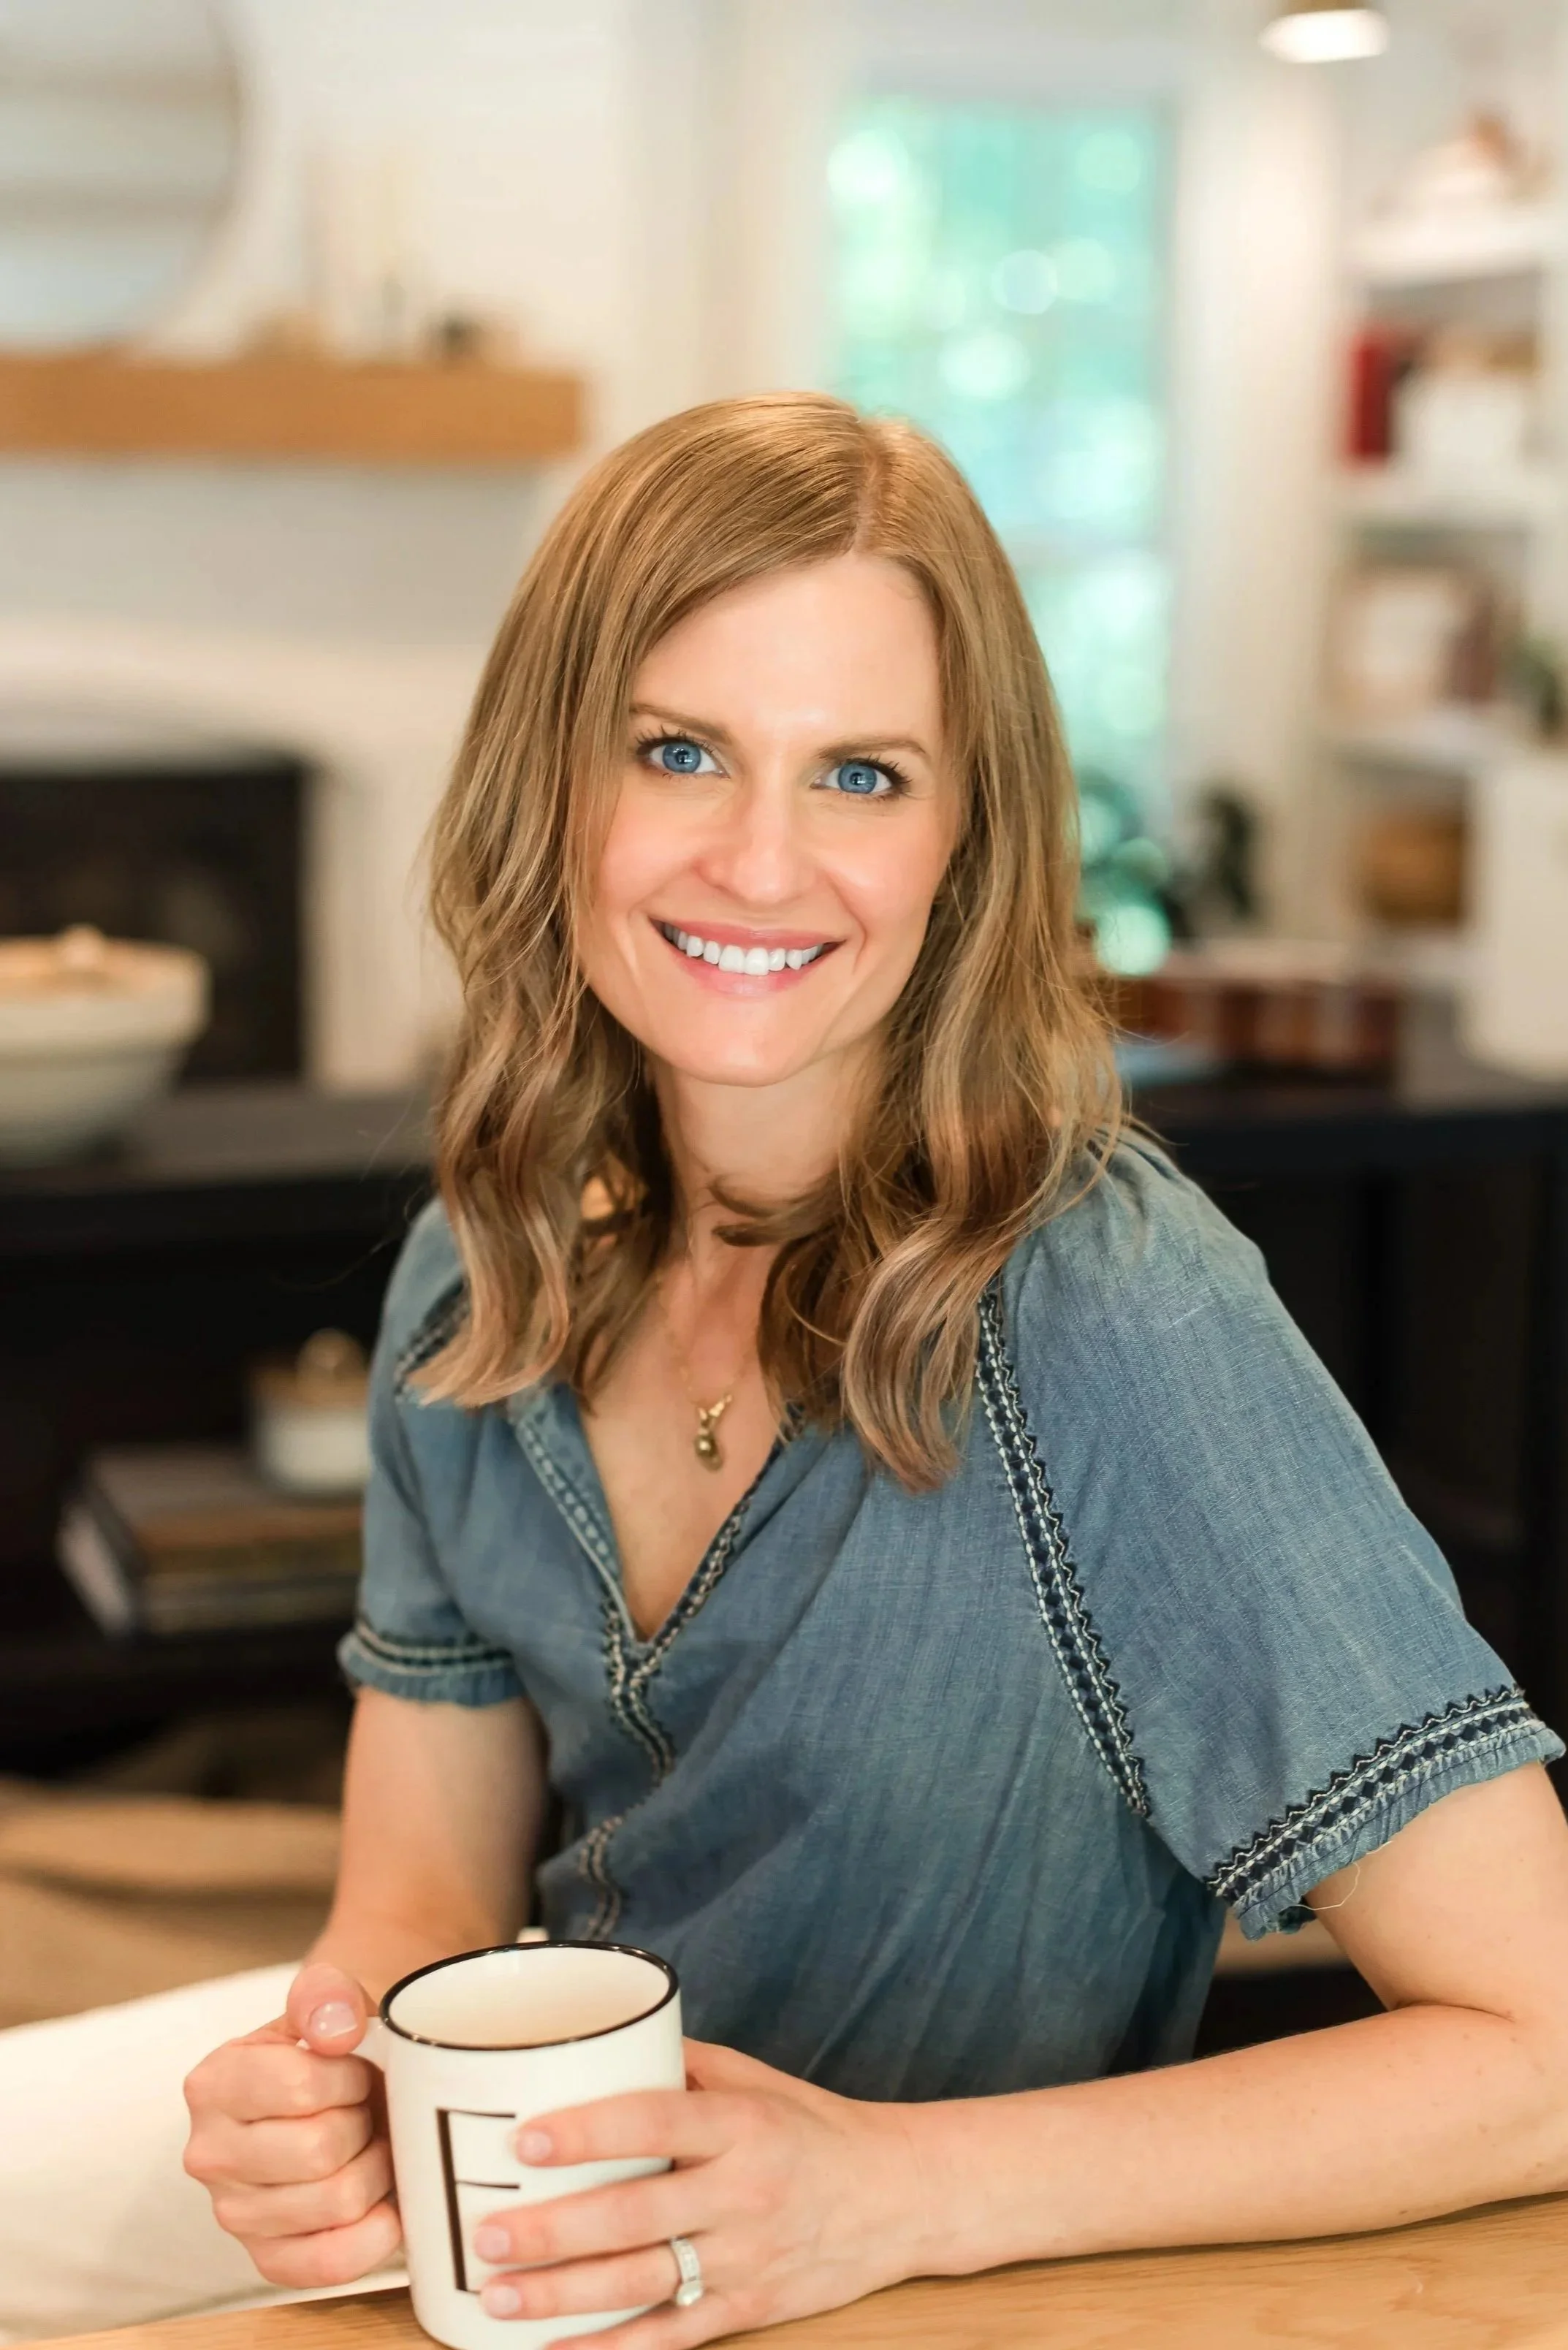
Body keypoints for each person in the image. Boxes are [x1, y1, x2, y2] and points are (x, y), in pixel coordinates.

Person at [180, 392, 1568, 2345]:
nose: (763, 862)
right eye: (679, 751)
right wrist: (335, 2095)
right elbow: (414, 1918)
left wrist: (886, 2197)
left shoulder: (1114, 1315)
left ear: (964, 838)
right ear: (547, 785)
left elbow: (1543, 2039)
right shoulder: (468, 1274)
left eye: (859, 776)